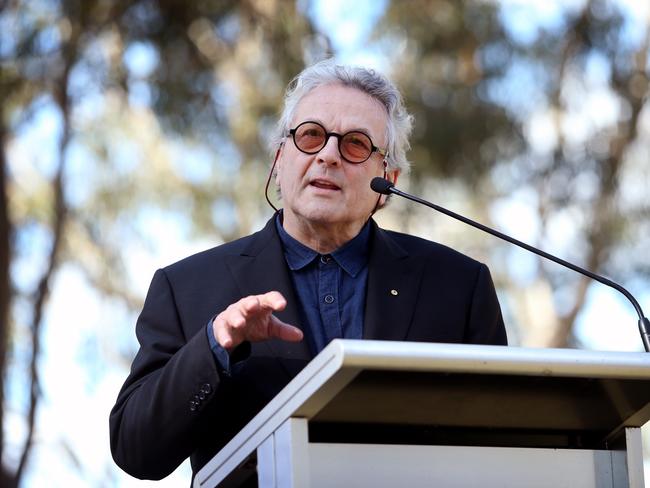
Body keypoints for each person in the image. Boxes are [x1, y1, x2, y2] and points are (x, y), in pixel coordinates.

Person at [109, 59, 507, 483]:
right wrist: (216, 345)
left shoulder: (458, 287)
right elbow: (136, 450)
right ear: (280, 160)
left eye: (355, 144)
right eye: (311, 136)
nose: (329, 155)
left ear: (387, 179)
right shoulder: (186, 287)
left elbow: (505, 446)